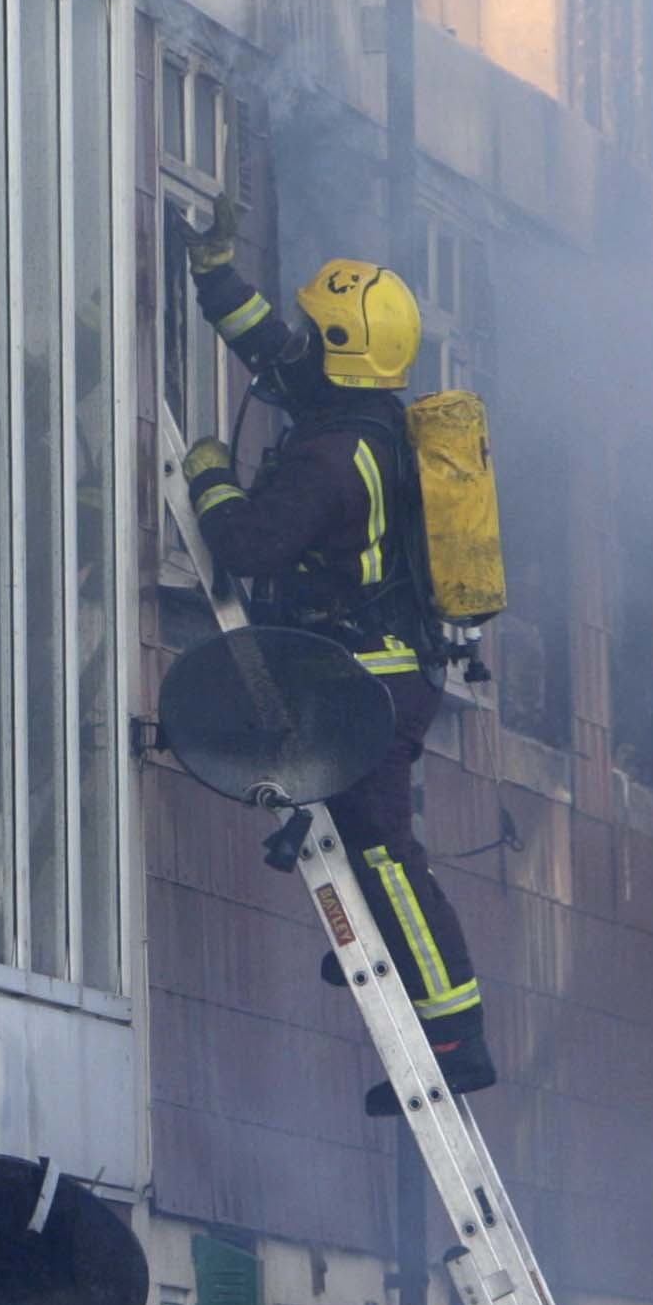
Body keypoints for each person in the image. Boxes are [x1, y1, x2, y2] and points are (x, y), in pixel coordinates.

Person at [181, 208, 492, 1113]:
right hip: (387, 674)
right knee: (371, 846)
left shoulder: (330, 454)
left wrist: (207, 474)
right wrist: (215, 277)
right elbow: (277, 354)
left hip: (368, 687)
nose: (302, 340)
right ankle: (397, 958)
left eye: (319, 331)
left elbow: (248, 541)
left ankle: (453, 1034)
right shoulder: (363, 415)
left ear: (340, 347)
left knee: (390, 859)